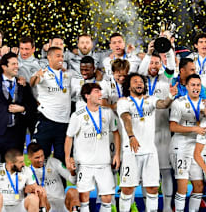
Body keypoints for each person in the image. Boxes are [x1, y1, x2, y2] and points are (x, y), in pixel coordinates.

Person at [117, 73, 176, 212]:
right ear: (129, 86)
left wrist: (171, 96)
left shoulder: (150, 100)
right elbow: (126, 118)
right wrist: (131, 136)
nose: (139, 83)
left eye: (141, 82)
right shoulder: (123, 101)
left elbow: (163, 104)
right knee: (127, 188)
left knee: (153, 188)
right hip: (131, 151)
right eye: (135, 81)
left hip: (150, 151)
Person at [64, 83, 121, 212]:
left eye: (100, 91)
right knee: (84, 198)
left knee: (107, 198)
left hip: (104, 163)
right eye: (96, 91)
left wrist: (117, 154)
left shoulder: (108, 113)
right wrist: (67, 158)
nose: (100, 94)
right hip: (85, 164)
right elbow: (69, 137)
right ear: (87, 95)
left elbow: (116, 133)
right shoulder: (77, 115)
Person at [0, 52, 35, 166]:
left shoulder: (23, 85)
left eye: (17, 63)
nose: (17, 66)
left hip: (16, 135)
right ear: (4, 67)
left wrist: (22, 109)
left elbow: (32, 106)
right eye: (13, 64)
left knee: (13, 168)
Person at [138, 50, 176, 212]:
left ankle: (167, 207)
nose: (153, 66)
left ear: (161, 65)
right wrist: (148, 54)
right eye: (151, 63)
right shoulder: (139, 83)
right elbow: (140, 71)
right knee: (146, 174)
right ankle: (148, 207)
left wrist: (167, 49)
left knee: (166, 171)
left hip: (163, 133)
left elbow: (172, 67)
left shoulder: (165, 81)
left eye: (157, 63)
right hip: (144, 135)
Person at [30, 46, 79, 163]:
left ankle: (61, 182)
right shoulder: (44, 73)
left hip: (64, 123)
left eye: (62, 56)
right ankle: (39, 181)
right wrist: (36, 76)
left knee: (61, 160)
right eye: (58, 56)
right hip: (47, 120)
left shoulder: (68, 74)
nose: (61, 58)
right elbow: (33, 83)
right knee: (42, 158)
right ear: (49, 58)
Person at [169, 74, 206, 212]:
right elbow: (173, 127)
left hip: (197, 148)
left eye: (198, 85)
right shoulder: (178, 103)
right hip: (180, 146)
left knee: (198, 186)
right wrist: (194, 128)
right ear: (186, 87)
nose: (196, 88)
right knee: (183, 186)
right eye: (193, 85)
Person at [26, 143, 80, 212]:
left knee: (73, 191)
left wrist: (72, 172)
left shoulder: (53, 162)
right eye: (37, 157)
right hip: (46, 205)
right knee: (40, 195)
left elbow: (73, 181)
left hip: (62, 203)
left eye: (42, 156)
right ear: (29, 157)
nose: (41, 160)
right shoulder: (27, 172)